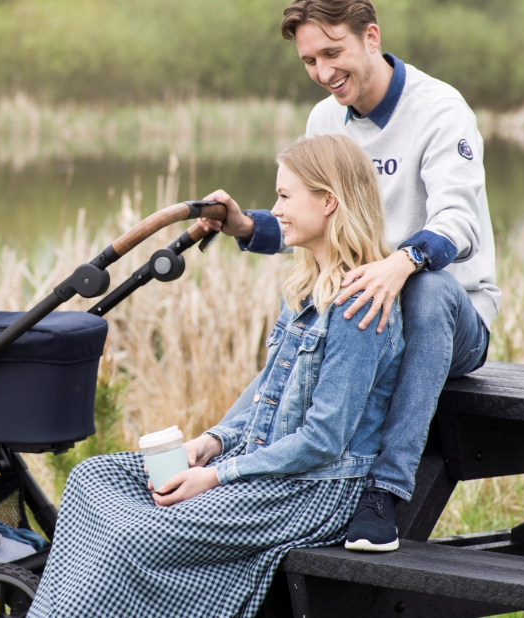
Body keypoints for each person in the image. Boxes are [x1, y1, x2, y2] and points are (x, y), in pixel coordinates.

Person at [27, 134, 403, 618]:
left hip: (309, 491)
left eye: (285, 196)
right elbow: (272, 399)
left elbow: (324, 440)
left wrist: (215, 476)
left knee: (132, 537)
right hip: (262, 466)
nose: (275, 209)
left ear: (329, 201)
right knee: (91, 478)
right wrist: (211, 443)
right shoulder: (308, 285)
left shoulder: (358, 305)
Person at [199, 0, 498, 552]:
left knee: (427, 288)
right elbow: (312, 221)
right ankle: (276, 466)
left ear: (370, 37)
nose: (323, 72)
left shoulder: (439, 109)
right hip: (366, 309)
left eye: (332, 53)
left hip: (450, 319)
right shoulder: (324, 118)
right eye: (309, 60)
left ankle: (384, 490)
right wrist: (243, 225)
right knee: (310, 284)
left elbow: (460, 223)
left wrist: (399, 264)